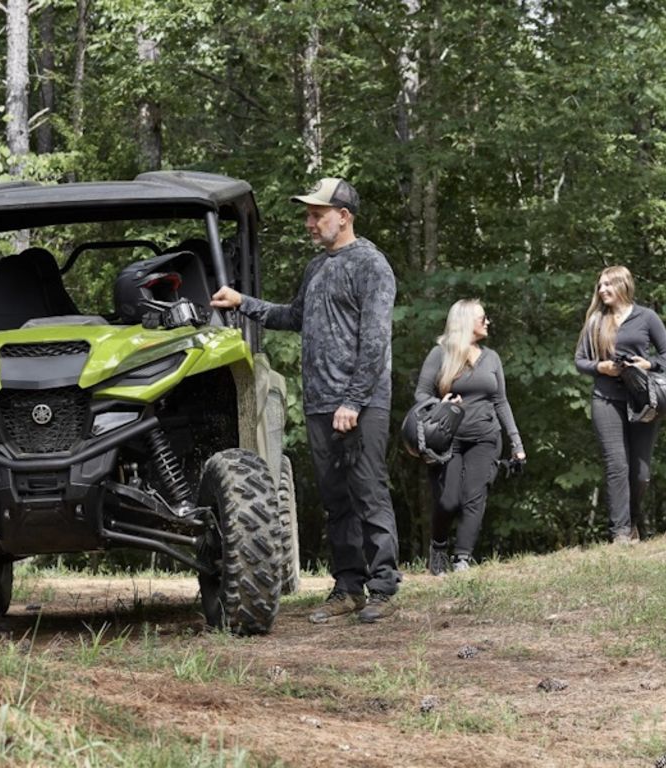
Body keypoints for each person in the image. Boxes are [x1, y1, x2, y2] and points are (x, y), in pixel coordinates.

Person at [210, 177, 400, 624]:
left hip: (361, 403)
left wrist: (353, 401)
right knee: (336, 501)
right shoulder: (317, 268)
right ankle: (348, 588)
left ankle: (384, 587)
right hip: (319, 403)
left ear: (344, 217)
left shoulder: (371, 264)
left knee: (369, 492)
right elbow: (294, 316)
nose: (309, 222)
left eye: (317, 215)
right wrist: (242, 302)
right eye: (308, 215)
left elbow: (375, 341)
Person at [415, 299, 525, 574]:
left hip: (486, 437)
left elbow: (501, 402)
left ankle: (462, 558)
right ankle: (438, 547)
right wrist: (439, 404)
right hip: (447, 438)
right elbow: (421, 393)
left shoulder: (492, 358)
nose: (488, 322)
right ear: (465, 322)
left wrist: (517, 443)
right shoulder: (440, 354)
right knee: (449, 499)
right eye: (482, 318)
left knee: (475, 497)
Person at [574, 265, 666, 544]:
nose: (602, 290)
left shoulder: (647, 317)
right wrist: (601, 367)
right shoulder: (596, 320)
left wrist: (648, 364)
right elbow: (580, 361)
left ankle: (631, 521)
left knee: (640, 473)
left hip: (643, 401)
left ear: (623, 285)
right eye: (600, 285)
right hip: (606, 399)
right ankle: (619, 533)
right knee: (616, 465)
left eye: (608, 284)